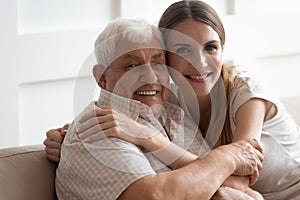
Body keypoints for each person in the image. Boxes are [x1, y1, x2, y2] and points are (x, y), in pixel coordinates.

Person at [46, 1, 300, 199]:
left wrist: (148, 138)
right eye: (183, 50)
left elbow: (241, 174)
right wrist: (68, 135)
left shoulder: (241, 93)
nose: (199, 63)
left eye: (210, 47)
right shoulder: (169, 101)